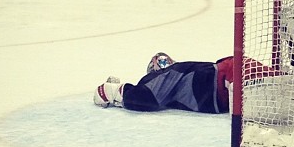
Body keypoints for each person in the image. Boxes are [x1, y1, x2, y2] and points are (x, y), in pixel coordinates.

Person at [94, 52, 234, 114]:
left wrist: (112, 90)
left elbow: (144, 97)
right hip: (230, 73)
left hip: (226, 77)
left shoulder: (173, 73)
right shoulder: (178, 72)